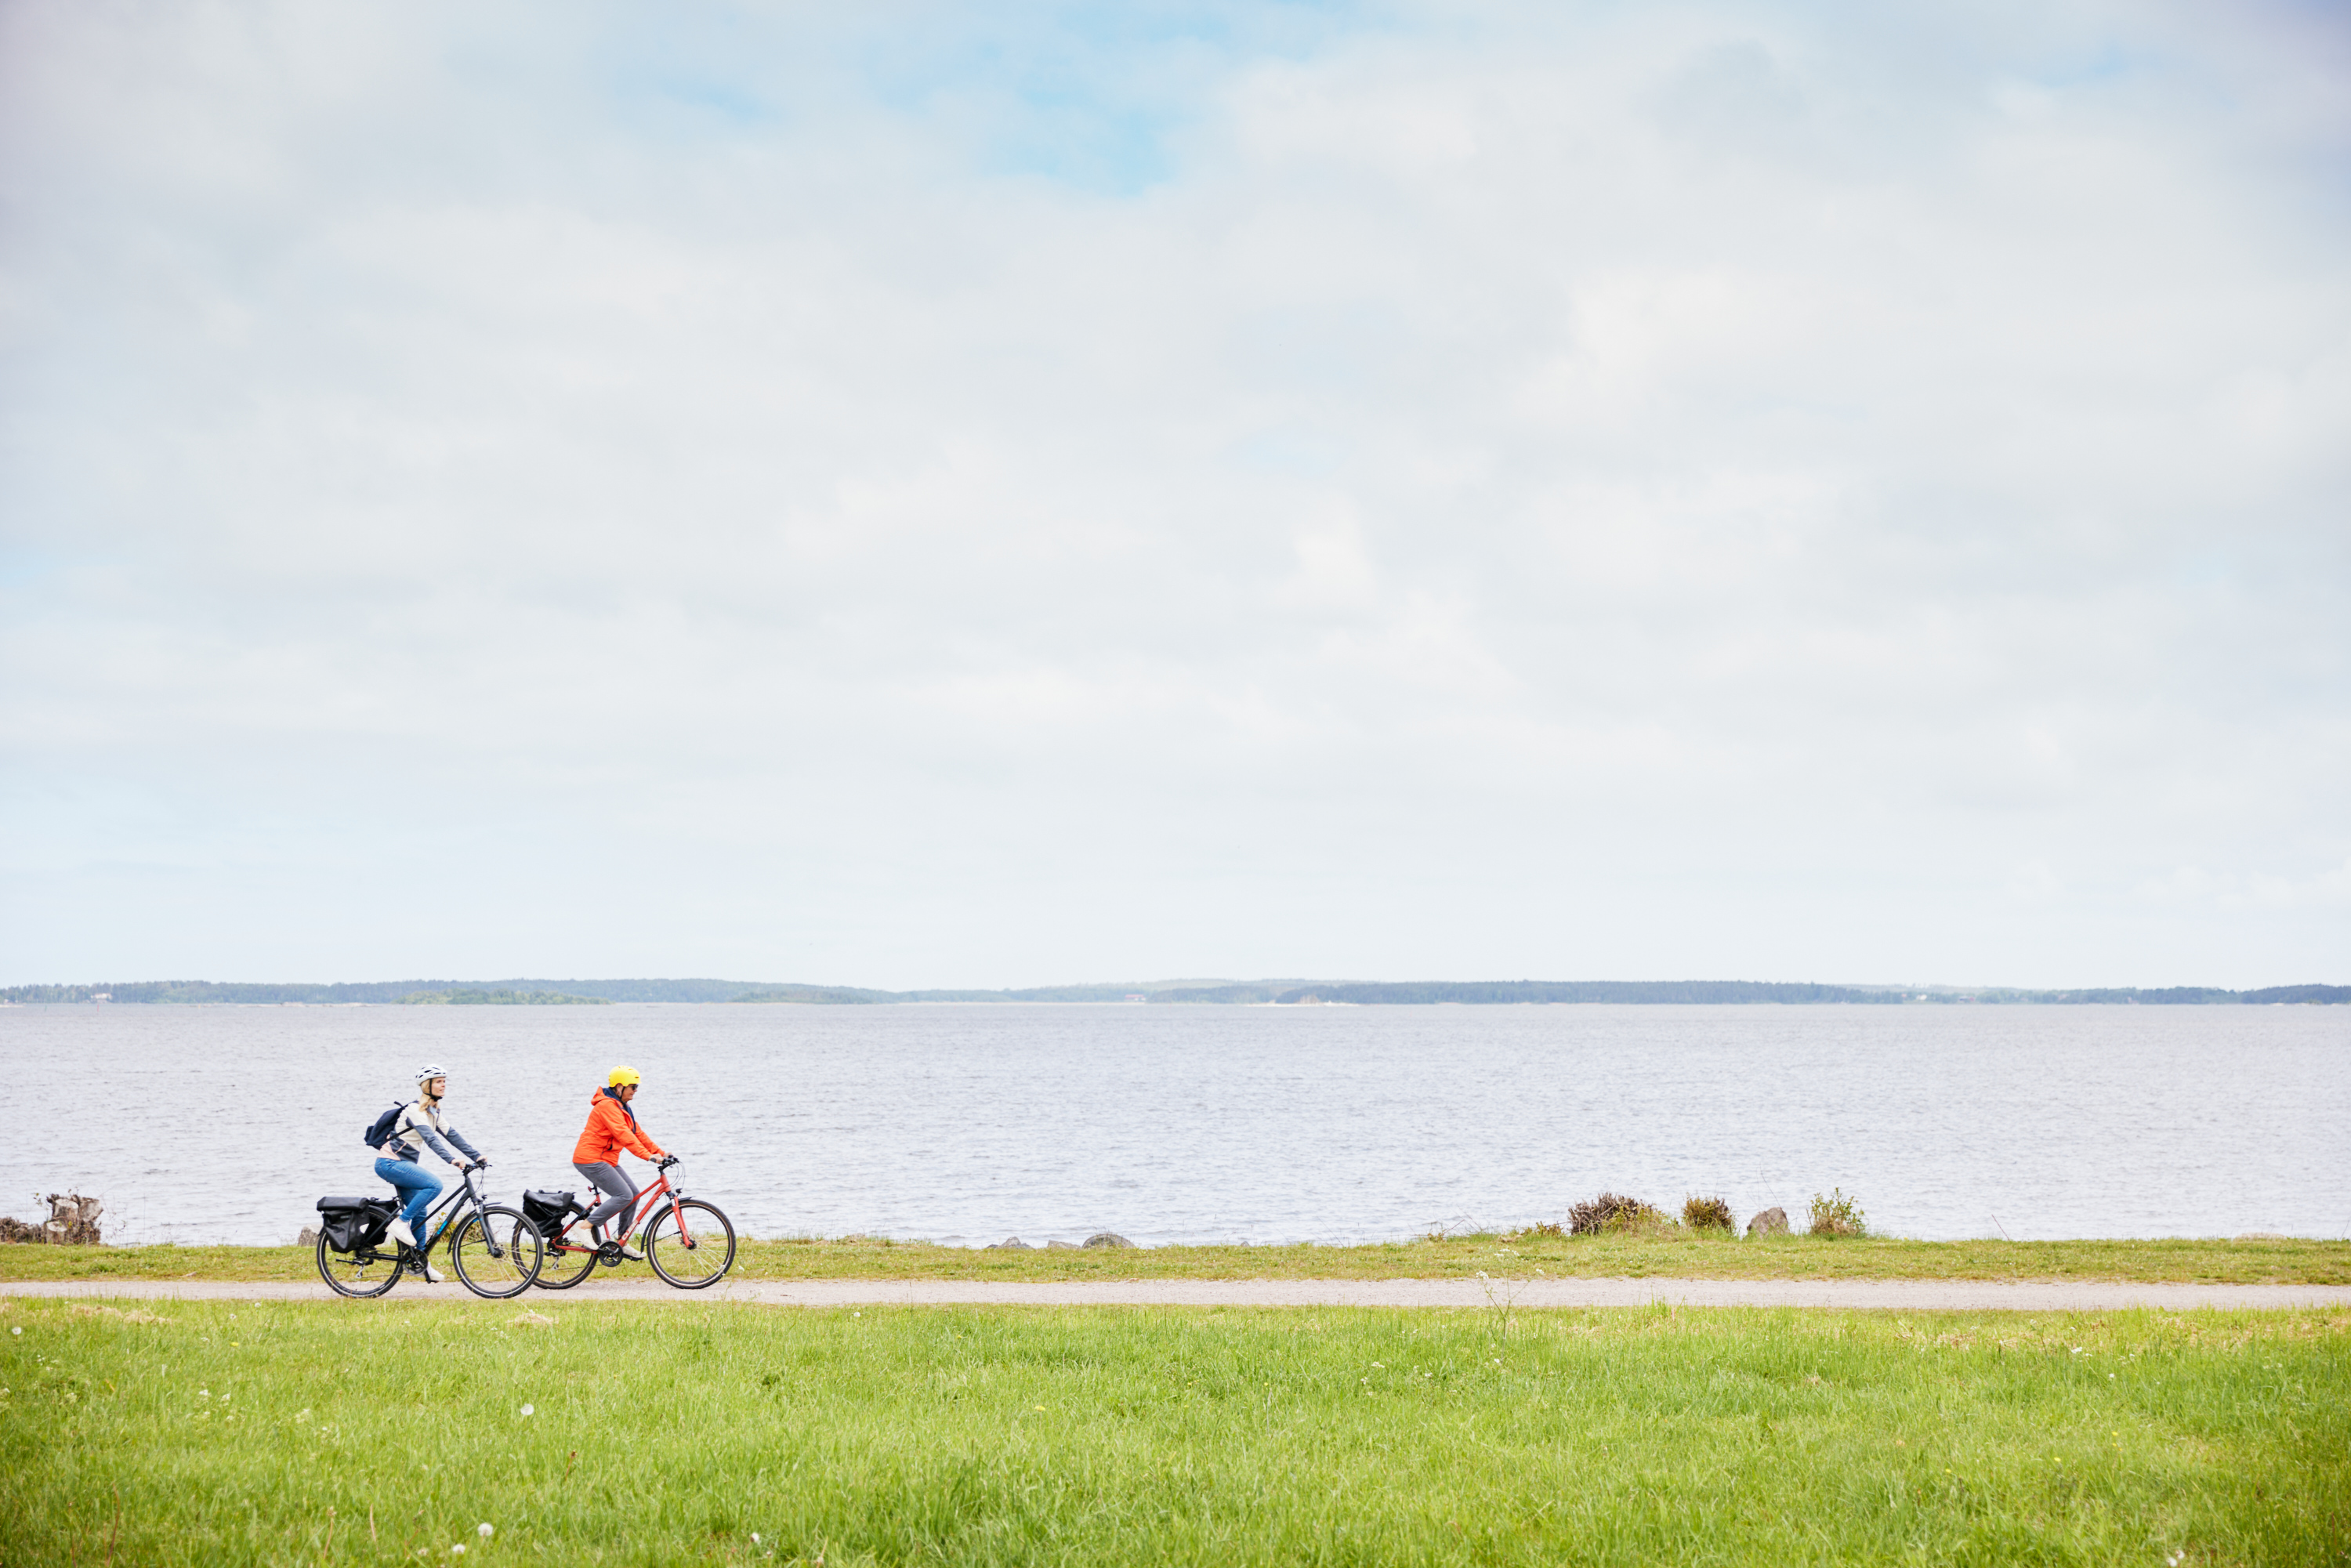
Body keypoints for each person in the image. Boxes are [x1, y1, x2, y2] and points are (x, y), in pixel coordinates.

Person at [376, 1063, 485, 1284]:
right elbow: (431, 1139)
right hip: (389, 1163)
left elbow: (452, 1135)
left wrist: (476, 1156)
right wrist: (451, 1160)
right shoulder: (414, 1110)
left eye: (444, 1081)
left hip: (402, 1165)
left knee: (421, 1211)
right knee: (434, 1185)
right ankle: (400, 1223)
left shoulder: (433, 1112)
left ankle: (420, 1263)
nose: (443, 1085)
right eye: (438, 1081)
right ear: (427, 1085)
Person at [572, 1065, 668, 1262]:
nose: (635, 1091)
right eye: (632, 1087)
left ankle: (622, 1240)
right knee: (623, 1195)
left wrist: (660, 1153)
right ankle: (584, 1227)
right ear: (619, 1087)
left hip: (606, 1159)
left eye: (637, 1087)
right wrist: (647, 1156)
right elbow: (623, 1135)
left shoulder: (623, 1107)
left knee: (633, 1195)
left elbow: (637, 1133)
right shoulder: (607, 1106)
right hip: (590, 1159)